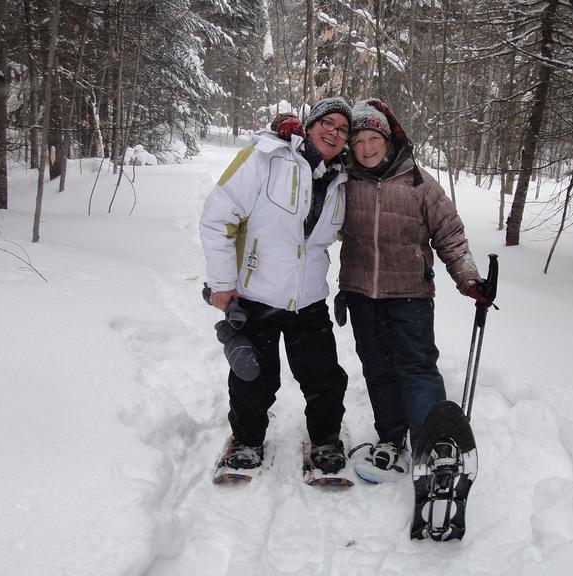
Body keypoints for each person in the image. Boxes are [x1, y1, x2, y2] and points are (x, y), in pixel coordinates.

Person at [337, 99, 491, 478]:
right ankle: (390, 438)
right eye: (358, 141)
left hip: (410, 296)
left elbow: (450, 234)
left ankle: (432, 443)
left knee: (417, 368)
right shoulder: (344, 181)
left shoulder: (418, 183)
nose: (366, 148)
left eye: (374, 138)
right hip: (360, 294)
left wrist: (468, 278)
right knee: (377, 368)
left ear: (388, 140)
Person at [199, 98, 353, 474]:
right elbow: (218, 217)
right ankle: (248, 441)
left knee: (323, 377)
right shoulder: (266, 158)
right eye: (327, 123)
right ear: (310, 125)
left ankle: (326, 440)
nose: (334, 132)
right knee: (253, 378)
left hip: (309, 299)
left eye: (343, 129)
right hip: (258, 294)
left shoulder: (343, 179)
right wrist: (222, 283)